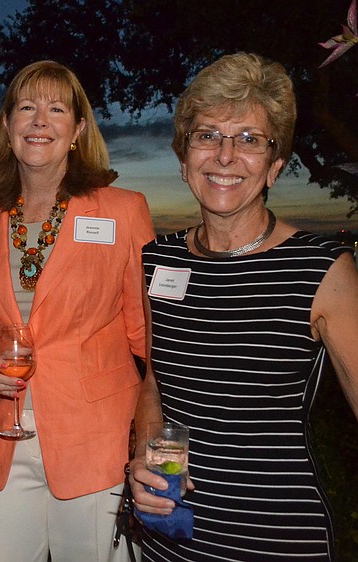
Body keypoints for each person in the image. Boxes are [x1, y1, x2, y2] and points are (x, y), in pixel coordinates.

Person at [131, 52, 358, 561]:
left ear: (275, 166)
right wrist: (144, 460)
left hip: (277, 539)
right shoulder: (155, 260)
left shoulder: (321, 269)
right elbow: (153, 384)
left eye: (249, 139)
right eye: (207, 135)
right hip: (172, 539)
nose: (225, 155)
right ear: (184, 157)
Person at [0, 60, 155, 561]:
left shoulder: (122, 210)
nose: (40, 121)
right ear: (7, 127)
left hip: (97, 444)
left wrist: (154, 438)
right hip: (2, 441)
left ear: (78, 130)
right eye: (26, 107)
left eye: (56, 109)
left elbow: (148, 337)